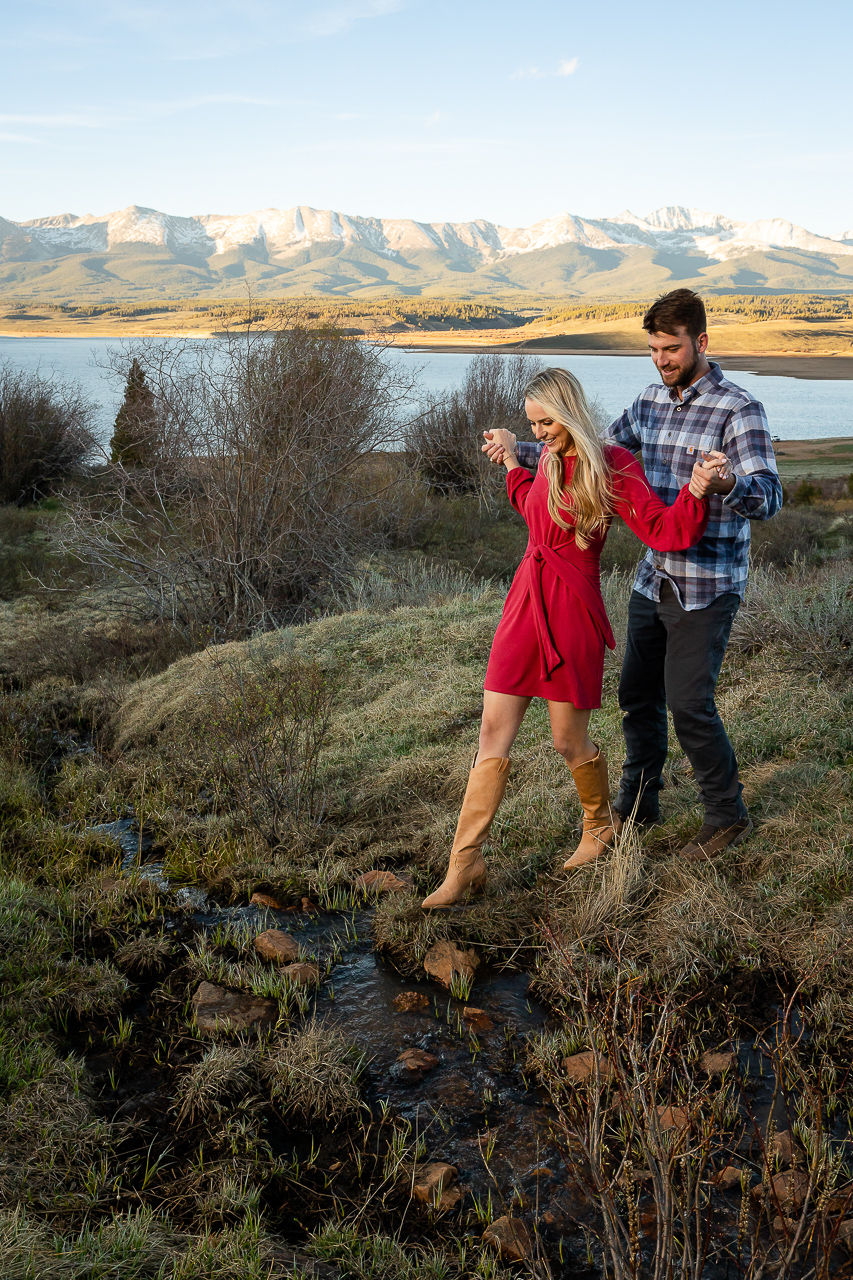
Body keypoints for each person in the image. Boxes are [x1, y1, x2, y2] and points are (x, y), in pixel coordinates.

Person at [482, 289, 783, 862]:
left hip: (707, 582)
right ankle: (639, 803)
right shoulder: (648, 402)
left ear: (701, 342)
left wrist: (725, 487)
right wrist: (524, 446)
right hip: (655, 576)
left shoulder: (737, 409)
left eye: (672, 348)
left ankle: (726, 815)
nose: (662, 360)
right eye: (653, 349)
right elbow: (589, 450)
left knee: (689, 703)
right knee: (636, 697)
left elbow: (769, 497)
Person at [421, 366, 721, 909]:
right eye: (531, 425)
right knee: (492, 731)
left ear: (568, 409)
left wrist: (697, 489)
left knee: (566, 740)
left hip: (572, 609)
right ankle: (464, 863)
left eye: (545, 422)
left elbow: (663, 530)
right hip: (524, 601)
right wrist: (513, 458)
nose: (539, 433)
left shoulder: (611, 466)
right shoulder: (547, 460)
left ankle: (599, 827)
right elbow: (533, 508)